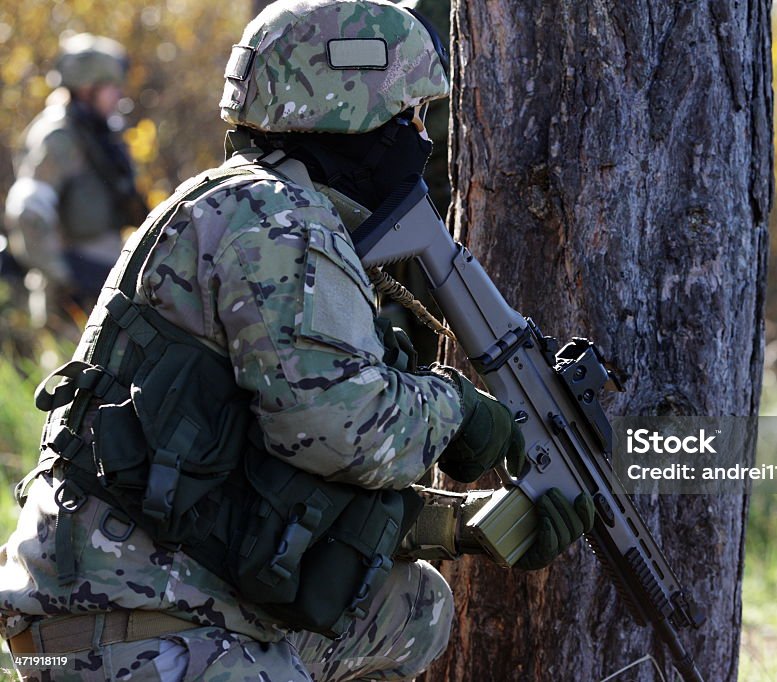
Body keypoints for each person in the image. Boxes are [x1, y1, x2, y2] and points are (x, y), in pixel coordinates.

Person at [0, 2, 593, 680]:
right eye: (407, 118)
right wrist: (459, 410)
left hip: (101, 611)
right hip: (135, 630)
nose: (420, 139)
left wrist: (461, 526)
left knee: (411, 607)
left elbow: (259, 475)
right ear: (351, 120)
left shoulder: (244, 200)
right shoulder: (279, 220)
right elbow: (340, 427)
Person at [3, 33, 146, 326]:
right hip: (69, 302)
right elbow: (28, 213)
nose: (118, 96)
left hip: (101, 281)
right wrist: (65, 277)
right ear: (86, 89)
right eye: (111, 88)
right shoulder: (59, 137)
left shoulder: (99, 132)